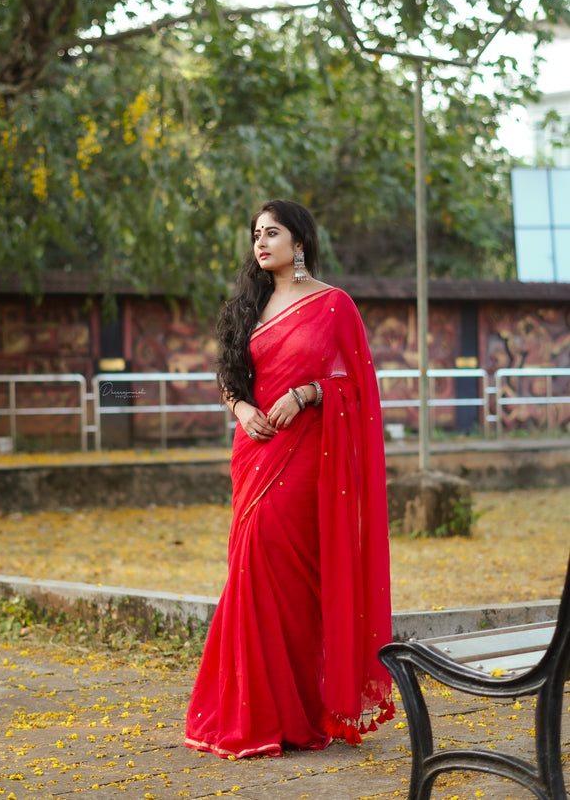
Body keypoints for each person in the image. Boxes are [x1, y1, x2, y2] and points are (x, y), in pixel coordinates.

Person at [184, 199, 393, 759]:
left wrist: (308, 394)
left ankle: (299, 710)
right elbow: (229, 376)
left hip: (304, 455)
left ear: (299, 242)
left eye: (271, 233)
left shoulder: (333, 306)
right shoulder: (249, 304)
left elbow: (359, 390)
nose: (260, 242)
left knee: (292, 577)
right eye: (255, 234)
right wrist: (240, 409)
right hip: (254, 450)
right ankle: (253, 712)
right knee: (249, 567)